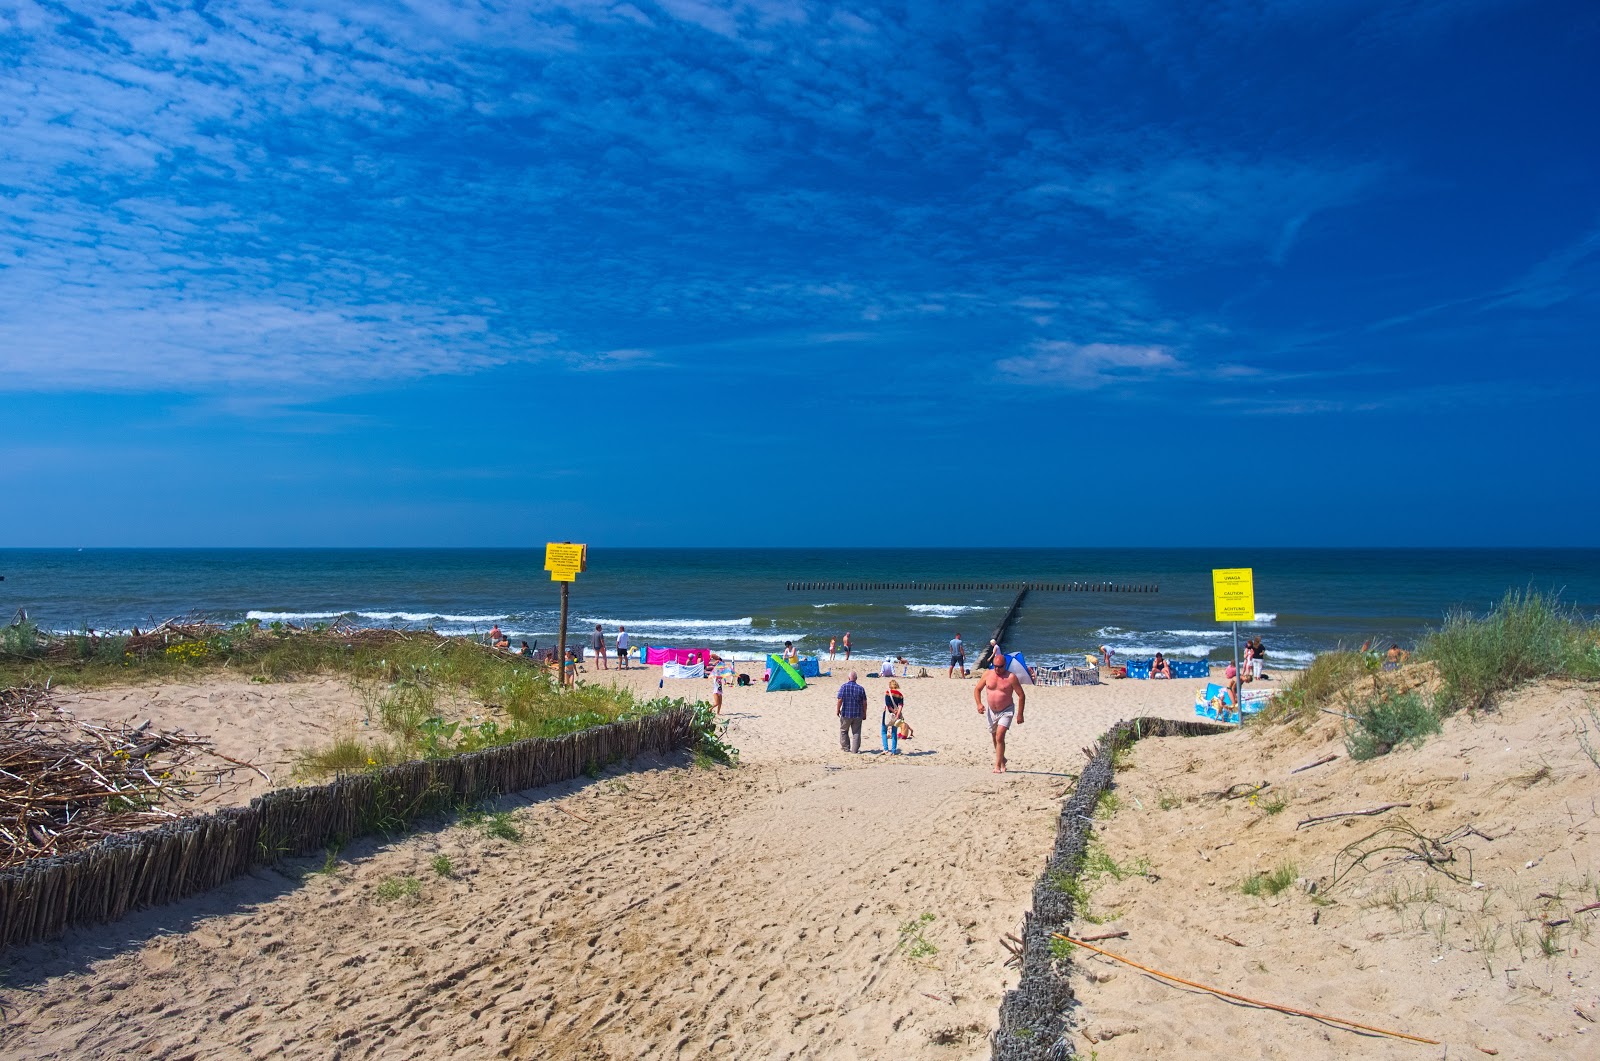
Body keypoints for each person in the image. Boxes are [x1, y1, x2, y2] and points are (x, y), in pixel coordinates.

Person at [974, 653, 1025, 773]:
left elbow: (1021, 695)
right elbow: (977, 689)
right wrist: (979, 704)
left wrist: (1020, 714)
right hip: (992, 711)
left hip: (1006, 710)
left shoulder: (1011, 677)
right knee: (994, 736)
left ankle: (997, 766)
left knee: (1000, 735)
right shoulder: (987, 674)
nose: (997, 669)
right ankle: (1002, 759)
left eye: (1000, 666)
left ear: (1005, 665)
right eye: (995, 666)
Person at [837, 671, 867, 753]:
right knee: (856, 732)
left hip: (846, 713)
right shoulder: (861, 688)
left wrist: (837, 710)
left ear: (848, 678)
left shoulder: (844, 687)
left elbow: (840, 700)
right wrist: (864, 713)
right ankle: (855, 750)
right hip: (857, 713)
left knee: (844, 730)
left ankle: (846, 748)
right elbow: (864, 703)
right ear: (856, 679)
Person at [882, 680, 904, 754]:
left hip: (888, 714)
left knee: (884, 731)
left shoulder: (888, 693)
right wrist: (898, 713)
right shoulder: (900, 695)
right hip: (896, 715)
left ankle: (886, 749)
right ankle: (893, 750)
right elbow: (901, 705)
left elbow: (887, 704)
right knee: (894, 732)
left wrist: (892, 710)